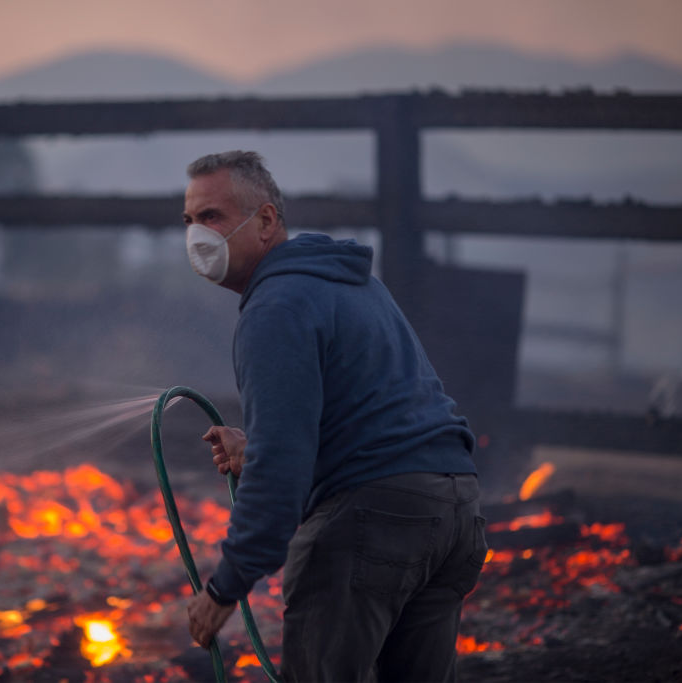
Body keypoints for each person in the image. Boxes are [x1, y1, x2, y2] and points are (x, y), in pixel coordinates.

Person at [182, 150, 488, 682]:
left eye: (213, 217)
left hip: (373, 522)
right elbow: (369, 421)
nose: (196, 235)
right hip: (454, 510)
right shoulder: (351, 284)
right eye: (189, 221)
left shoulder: (274, 308)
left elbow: (282, 475)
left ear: (267, 221)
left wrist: (223, 588)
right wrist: (256, 449)